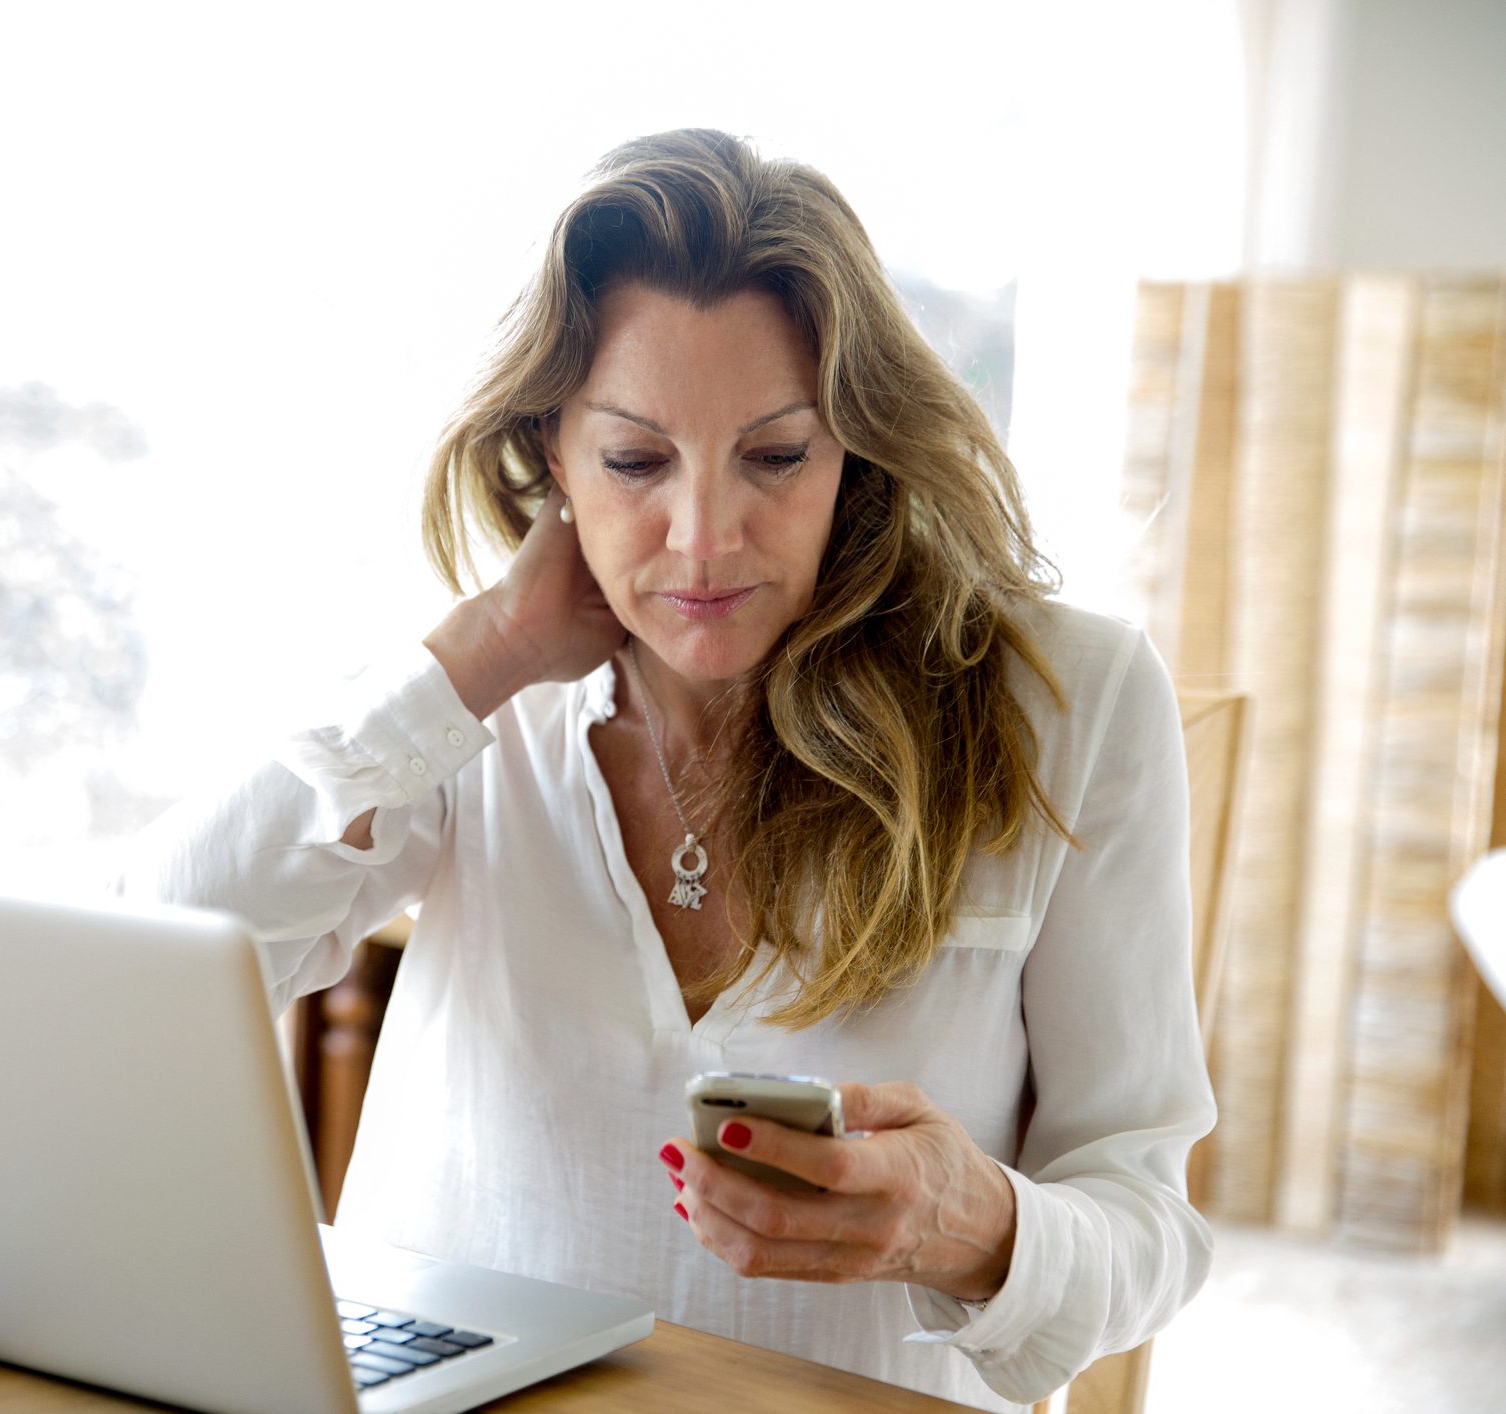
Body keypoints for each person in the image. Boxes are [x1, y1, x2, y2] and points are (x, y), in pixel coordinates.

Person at [124, 128, 1213, 1411]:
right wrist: (490, 651)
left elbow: (1149, 1223)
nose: (704, 538)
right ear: (552, 453)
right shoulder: (462, 693)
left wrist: (968, 1224)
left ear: (856, 448)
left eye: (777, 455)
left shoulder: (1072, 701)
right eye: (636, 461)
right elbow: (156, 961)